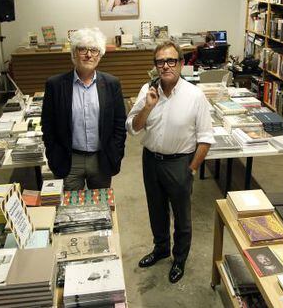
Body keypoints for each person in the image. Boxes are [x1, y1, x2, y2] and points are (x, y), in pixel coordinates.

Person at [126, 41, 215, 283]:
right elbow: (132, 128)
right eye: (160, 61)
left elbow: (206, 138)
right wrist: (148, 107)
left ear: (182, 63)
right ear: (155, 65)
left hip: (180, 163)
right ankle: (161, 248)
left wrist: (191, 169)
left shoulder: (194, 95)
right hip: (151, 161)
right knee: (156, 210)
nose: (166, 66)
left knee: (182, 216)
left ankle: (179, 258)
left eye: (171, 61)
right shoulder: (148, 90)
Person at [41, 28, 127, 191]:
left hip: (101, 160)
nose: (89, 55)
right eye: (83, 49)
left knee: (101, 208)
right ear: (74, 53)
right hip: (69, 160)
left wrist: (115, 152)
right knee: (72, 210)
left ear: (100, 55)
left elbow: (119, 123)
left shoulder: (111, 84)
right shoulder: (55, 85)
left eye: (94, 50)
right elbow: (48, 124)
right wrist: (53, 153)